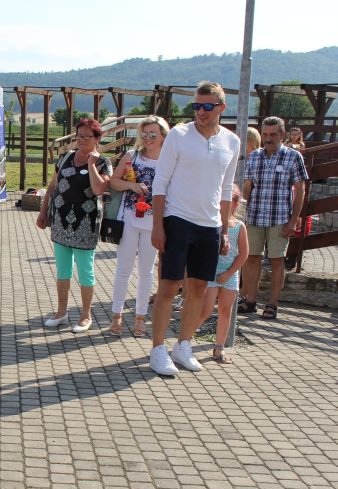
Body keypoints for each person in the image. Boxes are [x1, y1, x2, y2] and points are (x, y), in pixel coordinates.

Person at [148, 81, 240, 377]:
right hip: (177, 219)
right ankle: (158, 349)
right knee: (169, 286)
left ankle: (183, 345)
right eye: (197, 106)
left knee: (199, 288)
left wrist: (223, 231)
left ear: (221, 107)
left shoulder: (232, 141)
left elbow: (226, 188)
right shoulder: (179, 135)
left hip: (210, 224)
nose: (200, 111)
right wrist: (158, 225)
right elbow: (160, 182)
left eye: (207, 106)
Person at [36, 118, 111, 332]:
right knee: (63, 269)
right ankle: (61, 312)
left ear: (97, 139)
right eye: (79, 135)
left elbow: (99, 189)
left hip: (85, 223)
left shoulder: (103, 162)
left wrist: (91, 165)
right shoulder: (65, 157)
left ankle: (86, 315)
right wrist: (43, 211)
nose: (82, 140)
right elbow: (53, 186)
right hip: (61, 220)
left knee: (85, 270)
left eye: (87, 136)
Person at [239, 116, 308, 320]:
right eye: (265, 134)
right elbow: (247, 188)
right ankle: (250, 300)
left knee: (277, 260)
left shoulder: (293, 156)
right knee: (251, 258)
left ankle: (273, 304)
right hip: (254, 215)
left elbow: (300, 190)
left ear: (282, 134)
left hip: (280, 217)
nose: (268, 138)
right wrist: (241, 216)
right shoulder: (254, 157)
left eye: (273, 134)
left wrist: (294, 219)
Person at [109, 116, 170, 337]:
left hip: (154, 222)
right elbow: (113, 181)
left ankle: (140, 317)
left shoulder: (169, 159)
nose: (148, 138)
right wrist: (131, 185)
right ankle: (116, 315)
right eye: (144, 134)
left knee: (146, 271)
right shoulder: (132, 156)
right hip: (129, 218)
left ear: (163, 135)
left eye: (153, 134)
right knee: (123, 269)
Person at [196, 186, 248, 364]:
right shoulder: (212, 222)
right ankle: (184, 341)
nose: (223, 204)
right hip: (211, 273)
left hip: (230, 274)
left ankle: (219, 348)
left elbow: (243, 254)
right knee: (205, 310)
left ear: (235, 204)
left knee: (226, 311)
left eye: (228, 200)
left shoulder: (239, 226)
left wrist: (229, 273)